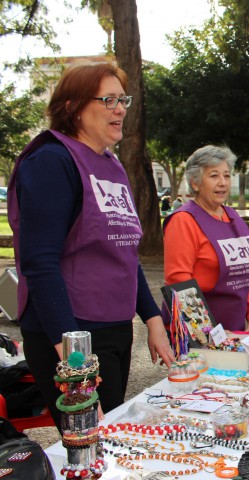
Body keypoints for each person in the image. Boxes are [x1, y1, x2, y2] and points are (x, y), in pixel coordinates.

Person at [6, 62, 174, 430]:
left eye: (123, 100)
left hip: (115, 329)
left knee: (107, 436)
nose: (120, 109)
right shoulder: (51, 160)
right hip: (70, 333)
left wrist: (152, 320)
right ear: (73, 107)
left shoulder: (111, 164)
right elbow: (40, 264)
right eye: (108, 99)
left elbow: (124, 253)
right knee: (92, 443)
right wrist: (75, 366)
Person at [163, 145, 249, 331]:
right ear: (195, 183)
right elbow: (179, 281)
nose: (223, 182)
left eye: (226, 175)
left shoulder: (234, 217)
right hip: (196, 332)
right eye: (214, 176)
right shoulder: (183, 220)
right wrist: (207, 334)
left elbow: (245, 271)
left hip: (234, 328)